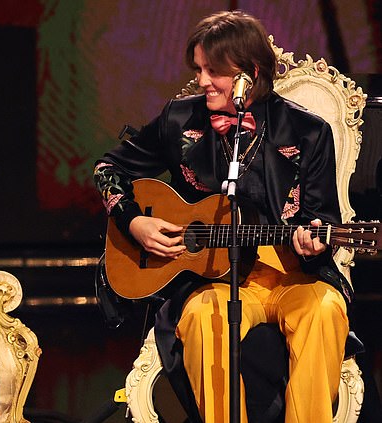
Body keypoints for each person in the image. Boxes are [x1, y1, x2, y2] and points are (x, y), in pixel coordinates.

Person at [94, 10, 354, 423]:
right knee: (201, 315)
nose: (201, 81)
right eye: (198, 69)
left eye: (213, 71)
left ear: (249, 74)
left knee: (324, 310)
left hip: (292, 275)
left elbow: (320, 218)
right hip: (214, 277)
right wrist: (134, 222)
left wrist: (312, 240)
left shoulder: (309, 132)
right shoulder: (181, 119)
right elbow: (108, 168)